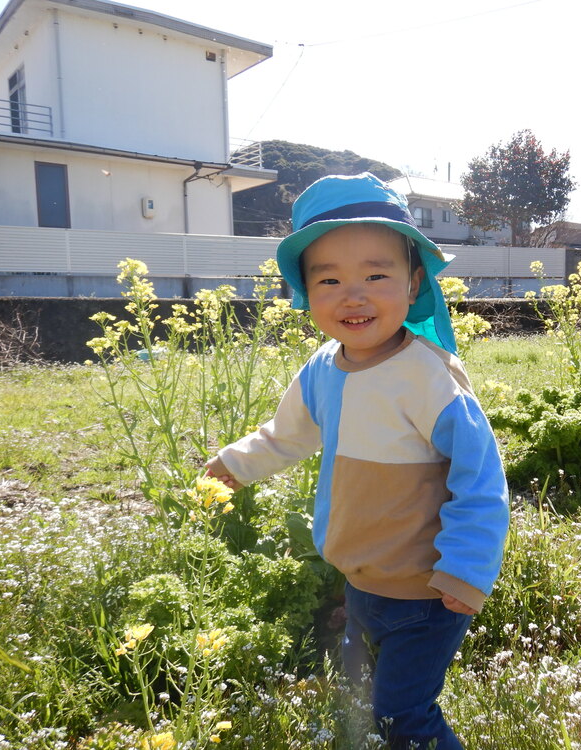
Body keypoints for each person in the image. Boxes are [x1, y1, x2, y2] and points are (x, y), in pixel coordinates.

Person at [205, 172, 509, 749]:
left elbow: (481, 478)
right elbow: (286, 435)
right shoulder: (324, 367)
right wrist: (232, 465)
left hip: (427, 590)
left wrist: (466, 571)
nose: (354, 294)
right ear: (305, 292)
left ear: (414, 281)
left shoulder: (428, 377)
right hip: (361, 578)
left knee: (403, 715)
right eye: (330, 279)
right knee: (370, 688)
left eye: (376, 274)